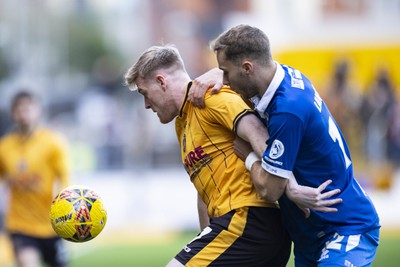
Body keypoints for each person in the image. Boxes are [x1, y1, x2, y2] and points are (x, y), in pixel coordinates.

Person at [190, 24, 381, 267]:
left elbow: (270, 190)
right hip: (309, 236)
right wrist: (213, 74)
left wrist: (248, 155)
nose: (225, 81)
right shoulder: (286, 77)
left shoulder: (288, 111)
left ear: (247, 68)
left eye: (226, 72)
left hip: (343, 227)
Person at [124, 44, 294, 267]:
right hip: (247, 229)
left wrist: (291, 186)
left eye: (144, 93)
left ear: (161, 81)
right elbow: (204, 191)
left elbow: (260, 136)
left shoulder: (212, 97)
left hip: (248, 221)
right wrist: (204, 235)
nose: (146, 104)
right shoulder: (183, 121)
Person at [0, 91, 70, 267]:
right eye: (19, 108)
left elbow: (65, 178)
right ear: (13, 113)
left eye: (28, 108)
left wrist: (64, 207)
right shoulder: (5, 147)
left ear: (38, 110)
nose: (24, 113)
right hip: (20, 224)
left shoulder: (53, 142)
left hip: (52, 224)